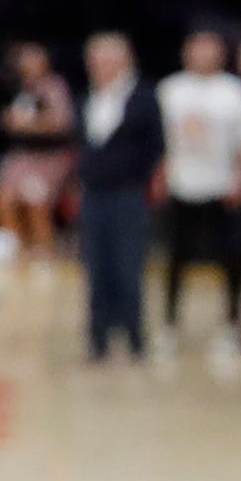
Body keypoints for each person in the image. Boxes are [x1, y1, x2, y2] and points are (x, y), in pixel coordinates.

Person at [151, 27, 241, 351]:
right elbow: (157, 142)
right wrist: (159, 177)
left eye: (208, 49)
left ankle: (231, 326)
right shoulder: (170, 90)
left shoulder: (235, 92)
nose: (202, 56)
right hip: (181, 185)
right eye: (196, 49)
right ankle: (169, 325)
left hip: (222, 187)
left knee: (231, 259)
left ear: (220, 54)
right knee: (175, 258)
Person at [70, 32, 158, 361]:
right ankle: (98, 339)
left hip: (128, 194)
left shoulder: (143, 98)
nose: (99, 67)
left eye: (106, 60)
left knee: (127, 266)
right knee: (96, 267)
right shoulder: (86, 100)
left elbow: (155, 146)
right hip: (93, 195)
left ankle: (134, 337)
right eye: (94, 61)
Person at [0, 43, 73, 259]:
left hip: (47, 157)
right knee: (3, 199)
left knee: (35, 202)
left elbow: (61, 122)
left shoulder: (54, 87)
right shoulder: (21, 88)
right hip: (21, 156)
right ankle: (16, 249)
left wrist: (29, 124)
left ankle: (44, 252)